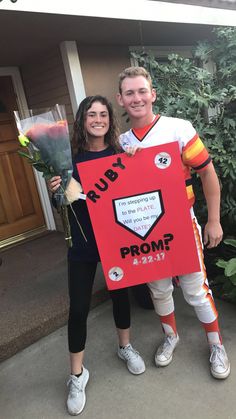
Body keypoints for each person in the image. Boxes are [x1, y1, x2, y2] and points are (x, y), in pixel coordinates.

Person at [116, 66, 230, 380]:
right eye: (130, 93)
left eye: (142, 91)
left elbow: (207, 172)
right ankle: (171, 336)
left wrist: (214, 220)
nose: (137, 98)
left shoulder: (178, 128)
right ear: (121, 99)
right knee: (159, 290)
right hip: (146, 229)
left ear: (153, 94)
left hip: (181, 223)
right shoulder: (120, 141)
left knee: (196, 290)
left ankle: (216, 343)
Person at [49, 95, 145, 416]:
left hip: (115, 241)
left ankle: (125, 347)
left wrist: (136, 160)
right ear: (83, 120)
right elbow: (61, 206)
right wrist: (55, 191)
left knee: (120, 295)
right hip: (82, 244)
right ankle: (77, 375)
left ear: (109, 120)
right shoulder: (69, 161)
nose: (98, 119)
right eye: (92, 114)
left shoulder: (121, 154)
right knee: (78, 308)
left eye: (103, 114)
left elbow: (138, 191)